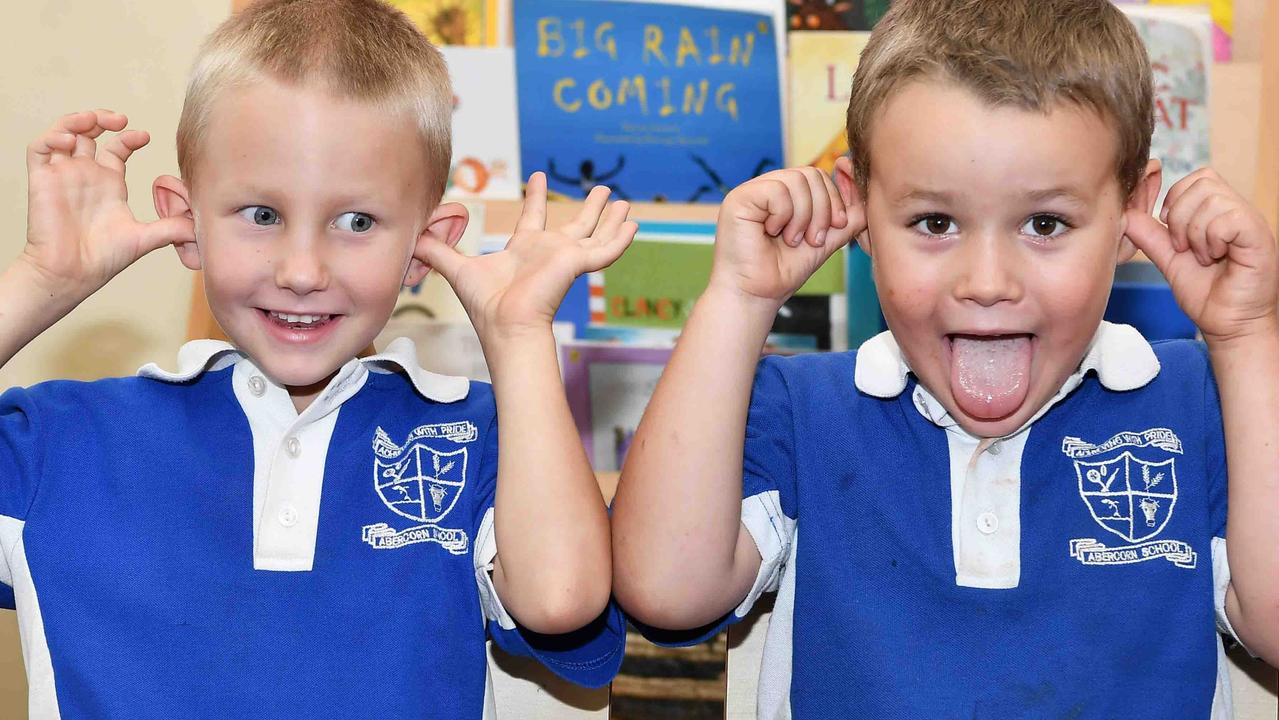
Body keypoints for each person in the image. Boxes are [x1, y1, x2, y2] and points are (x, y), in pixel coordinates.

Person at [612, 0, 1279, 716]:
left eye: (1044, 223)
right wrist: (738, 298)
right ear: (860, 209)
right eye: (934, 222)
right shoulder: (798, 406)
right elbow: (666, 590)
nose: (985, 282)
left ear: (1131, 215)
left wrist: (1245, 337)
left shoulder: (1205, 402)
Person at [5, 0, 634, 715]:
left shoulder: (492, 434)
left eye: (357, 221)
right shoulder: (62, 439)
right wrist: (42, 279)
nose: (303, 270)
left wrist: (518, 338)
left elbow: (560, 599)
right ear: (187, 222)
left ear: (427, 247)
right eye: (262, 215)